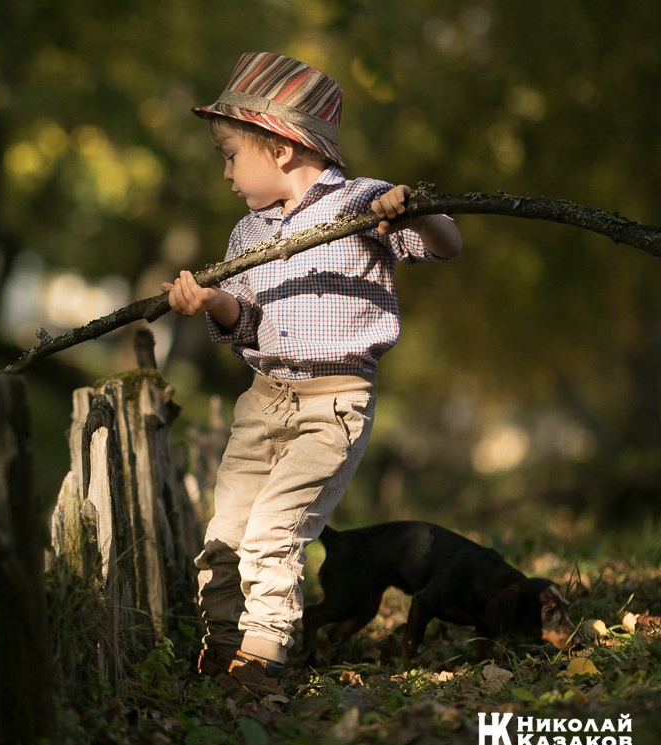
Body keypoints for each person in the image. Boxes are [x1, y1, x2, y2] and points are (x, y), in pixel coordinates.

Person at [161, 51, 462, 692]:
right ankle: (220, 651)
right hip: (263, 399)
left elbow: (446, 245)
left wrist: (414, 211)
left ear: (279, 149)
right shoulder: (247, 235)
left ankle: (265, 661)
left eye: (230, 156)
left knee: (276, 529)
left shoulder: (364, 205)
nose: (224, 174)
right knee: (227, 534)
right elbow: (248, 324)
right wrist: (213, 302)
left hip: (334, 402)